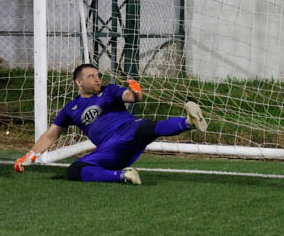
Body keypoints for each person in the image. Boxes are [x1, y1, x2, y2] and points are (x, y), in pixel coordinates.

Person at [13, 63, 207, 185]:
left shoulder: (109, 91)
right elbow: (51, 135)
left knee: (146, 128)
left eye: (98, 75)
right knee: (73, 171)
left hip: (127, 132)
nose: (97, 79)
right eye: (91, 76)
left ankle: (188, 122)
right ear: (78, 82)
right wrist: (29, 155)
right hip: (109, 151)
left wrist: (137, 92)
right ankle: (124, 176)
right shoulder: (70, 109)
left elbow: (131, 97)